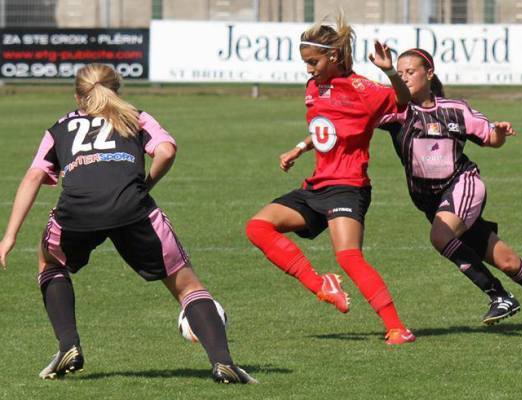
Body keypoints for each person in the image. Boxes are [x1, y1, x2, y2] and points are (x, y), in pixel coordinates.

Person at [0, 64, 258, 383]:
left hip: (77, 212)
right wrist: (146, 185)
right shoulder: (135, 116)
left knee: (49, 262)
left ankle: (68, 345)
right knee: (187, 286)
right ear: (117, 90)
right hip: (132, 209)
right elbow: (166, 150)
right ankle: (223, 362)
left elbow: (33, 176)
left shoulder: (60, 127)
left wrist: (9, 236)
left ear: (78, 96)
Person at [375, 46, 522, 332]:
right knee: (508, 262)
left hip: (464, 185)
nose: (404, 77)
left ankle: (499, 295)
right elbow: (359, 113)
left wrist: (499, 133)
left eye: (410, 71)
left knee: (439, 235)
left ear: (429, 73)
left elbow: (491, 138)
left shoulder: (456, 110)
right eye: (400, 72)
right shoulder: (398, 114)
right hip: (438, 205)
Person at [245, 15, 416, 345]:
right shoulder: (313, 88)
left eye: (313, 62)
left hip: (348, 186)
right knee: (257, 227)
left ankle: (398, 328)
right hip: (316, 186)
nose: (309, 69)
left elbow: (403, 100)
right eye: (306, 63)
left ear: (334, 56)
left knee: (348, 257)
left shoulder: (363, 90)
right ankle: (322, 285)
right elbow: (326, 129)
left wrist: (390, 71)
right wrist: (299, 148)